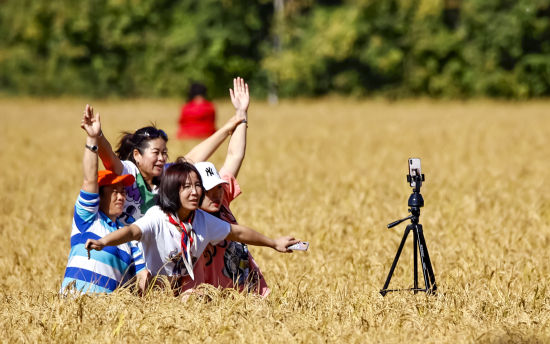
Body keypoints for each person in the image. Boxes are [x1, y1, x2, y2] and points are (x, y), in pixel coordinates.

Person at [84, 161, 299, 293]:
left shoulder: (202, 220)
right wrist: (103, 241)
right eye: (186, 187)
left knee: (198, 298)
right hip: (155, 286)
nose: (194, 191)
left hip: (185, 285)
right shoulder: (157, 217)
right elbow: (132, 231)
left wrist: (273, 243)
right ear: (171, 191)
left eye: (197, 185)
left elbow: (237, 232)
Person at [193, 77, 269, 295]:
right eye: (209, 191)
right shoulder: (190, 215)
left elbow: (235, 155)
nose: (216, 194)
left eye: (218, 187)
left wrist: (242, 115)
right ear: (195, 193)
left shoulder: (222, 196)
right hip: (212, 294)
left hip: (246, 288)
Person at [60, 107, 146, 295]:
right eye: (114, 191)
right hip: (69, 313)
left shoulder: (130, 234)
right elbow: (90, 179)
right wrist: (92, 138)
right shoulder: (88, 219)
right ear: (100, 196)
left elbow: (141, 279)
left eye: (123, 191)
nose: (121, 196)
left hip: (105, 319)